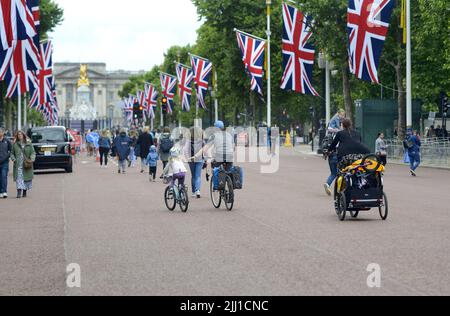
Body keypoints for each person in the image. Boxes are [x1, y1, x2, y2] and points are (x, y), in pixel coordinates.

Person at [323, 109, 346, 196]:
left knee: (333, 173)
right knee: (342, 172)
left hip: (331, 155)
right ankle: (341, 190)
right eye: (342, 115)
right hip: (338, 154)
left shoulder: (330, 136)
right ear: (339, 114)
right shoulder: (339, 133)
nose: (343, 117)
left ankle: (327, 184)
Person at [10, 131, 36, 199]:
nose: (19, 135)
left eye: (21, 134)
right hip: (18, 165)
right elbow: (12, 153)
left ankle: (24, 191)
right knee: (19, 178)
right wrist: (14, 159)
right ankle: (19, 192)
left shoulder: (29, 144)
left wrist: (32, 159)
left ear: (23, 135)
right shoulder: (15, 144)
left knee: (26, 179)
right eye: (18, 134)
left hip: (26, 164)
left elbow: (33, 152)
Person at [184, 127, 204, 199]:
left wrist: (187, 158)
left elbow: (185, 149)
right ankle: (198, 190)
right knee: (198, 175)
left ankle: (193, 192)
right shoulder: (201, 140)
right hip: (199, 159)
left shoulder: (188, 141)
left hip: (191, 159)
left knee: (193, 176)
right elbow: (204, 150)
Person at [0, 128, 12, 199]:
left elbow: (10, 150)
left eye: (0, 132)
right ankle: (0, 192)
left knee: (3, 177)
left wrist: (6, 157)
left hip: (4, 162)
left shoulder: (7, 141)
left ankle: (4, 191)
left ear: (3, 133)